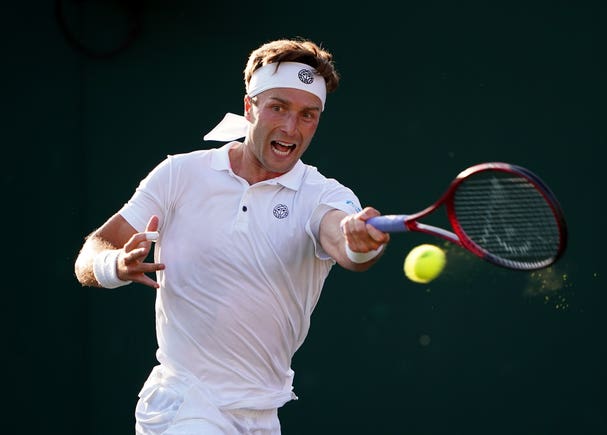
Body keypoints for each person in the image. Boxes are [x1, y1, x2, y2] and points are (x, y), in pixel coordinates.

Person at [74, 38, 390, 434]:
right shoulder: (179, 174)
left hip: (262, 415)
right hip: (185, 404)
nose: (291, 127)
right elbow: (91, 253)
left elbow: (342, 239)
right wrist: (114, 264)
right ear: (249, 107)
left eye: (308, 115)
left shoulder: (325, 195)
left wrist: (359, 245)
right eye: (278, 107)